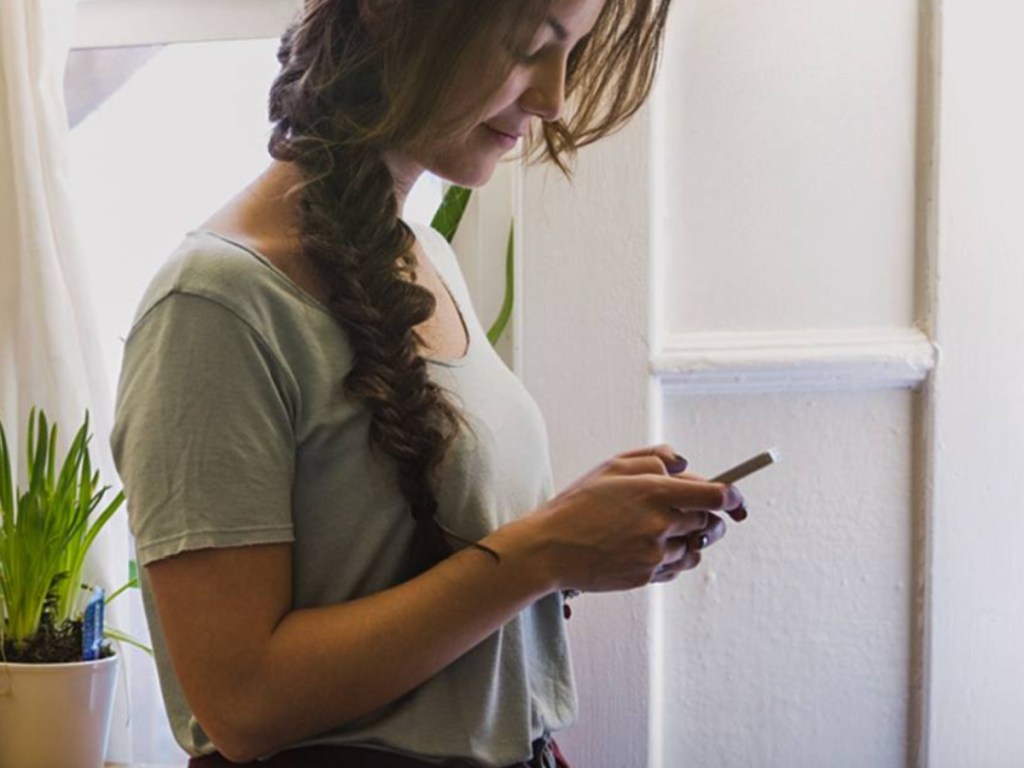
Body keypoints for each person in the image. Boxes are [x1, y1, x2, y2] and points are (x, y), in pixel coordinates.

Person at [110, 1, 747, 766]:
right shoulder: (217, 304)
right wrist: (542, 553)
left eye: (569, 55)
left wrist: (584, 544)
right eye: (528, 47)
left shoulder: (427, 255)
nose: (554, 98)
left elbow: (419, 574)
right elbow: (243, 704)